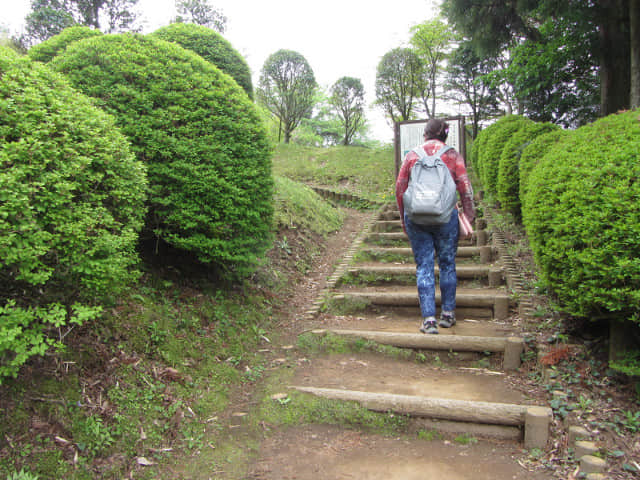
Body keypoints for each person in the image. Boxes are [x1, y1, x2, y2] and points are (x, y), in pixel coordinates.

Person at [395, 119, 476, 334]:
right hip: (446, 217)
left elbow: (400, 188)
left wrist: (404, 218)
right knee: (448, 264)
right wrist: (468, 216)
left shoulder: (412, 155)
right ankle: (448, 314)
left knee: (424, 266)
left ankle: (429, 320)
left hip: (417, 219)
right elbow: (465, 187)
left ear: (425, 134)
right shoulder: (452, 155)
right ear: (445, 136)